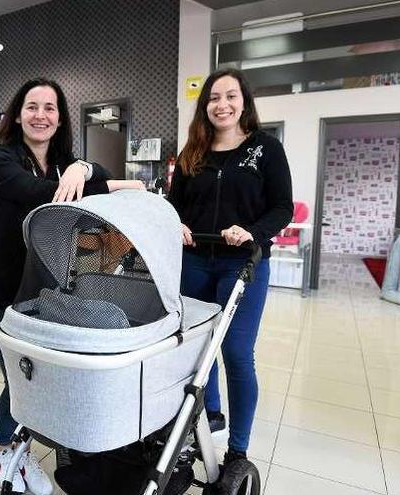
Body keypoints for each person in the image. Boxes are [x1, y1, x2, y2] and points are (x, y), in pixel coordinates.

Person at [0, 77, 145, 494]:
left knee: (43, 376)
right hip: (2, 289)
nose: (41, 115)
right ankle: (3, 447)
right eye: (32, 107)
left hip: (46, 287)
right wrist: (119, 185)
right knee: (18, 379)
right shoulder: (0, 160)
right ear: (18, 115)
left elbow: (90, 173)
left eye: (50, 108)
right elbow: (41, 194)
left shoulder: (62, 161)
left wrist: (82, 166)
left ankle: (29, 439)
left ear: (59, 118)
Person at [168, 68, 293, 465]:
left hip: (243, 265)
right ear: (205, 106)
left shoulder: (266, 148)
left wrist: (252, 231)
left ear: (244, 102)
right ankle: (210, 416)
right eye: (213, 98)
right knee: (195, 350)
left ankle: (238, 448)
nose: (221, 105)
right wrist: (179, 224)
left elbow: (282, 207)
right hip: (194, 263)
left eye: (230, 97)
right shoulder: (193, 152)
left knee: (236, 352)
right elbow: (175, 204)